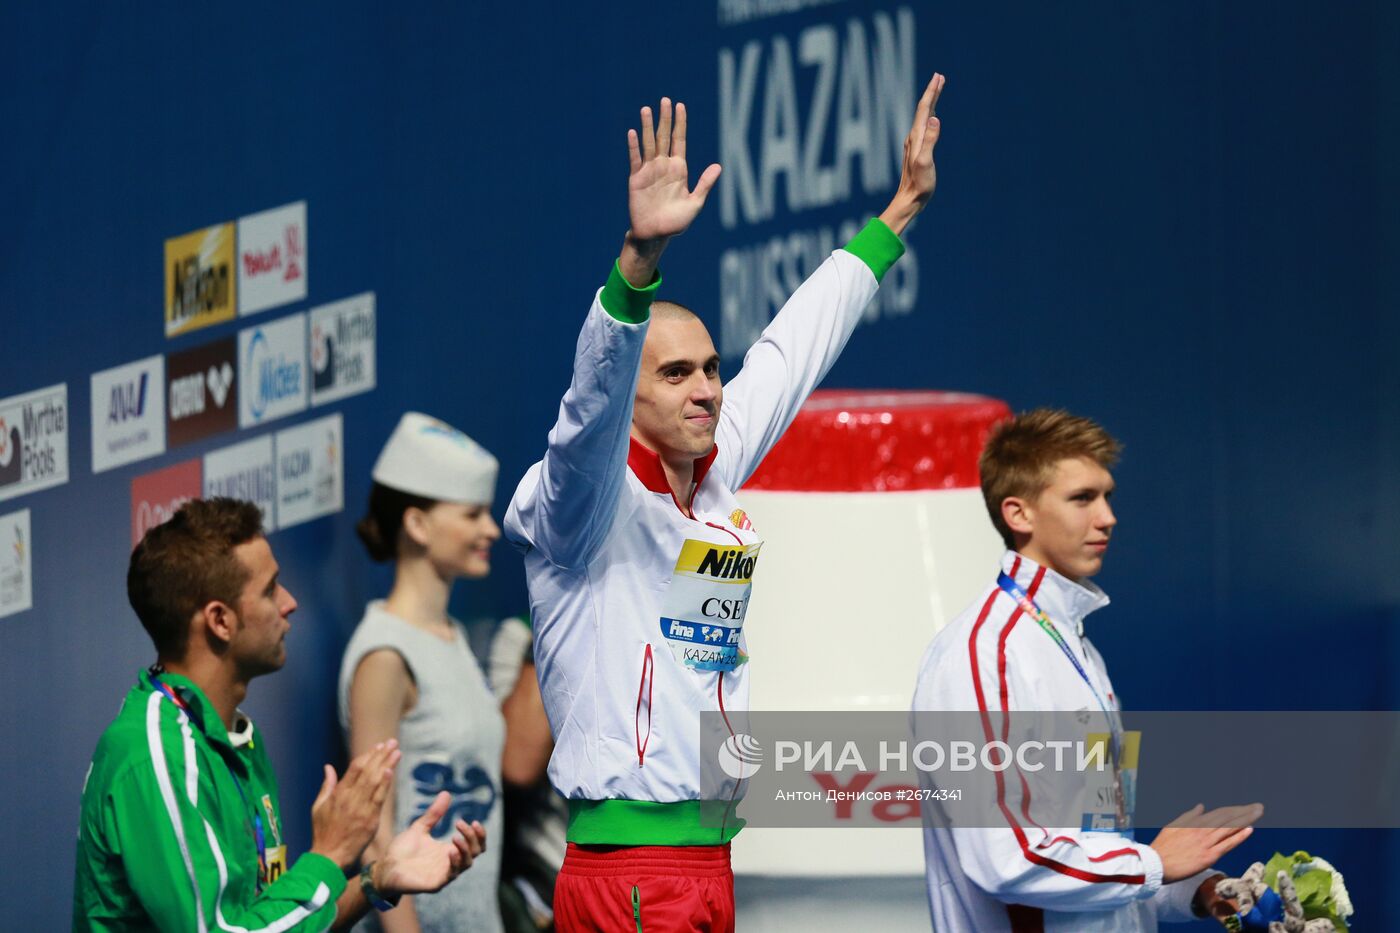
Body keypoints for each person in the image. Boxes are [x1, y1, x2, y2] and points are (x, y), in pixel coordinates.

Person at [504, 74, 945, 931]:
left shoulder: (710, 466)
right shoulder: (578, 505)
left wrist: (897, 216)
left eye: (710, 367)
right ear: (633, 390)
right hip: (629, 871)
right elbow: (589, 404)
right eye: (676, 372)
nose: (707, 388)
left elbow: (792, 349)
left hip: (710, 859)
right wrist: (637, 266)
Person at [911, 409, 1260, 932]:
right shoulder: (986, 652)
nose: (1107, 516)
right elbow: (1006, 859)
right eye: (1082, 498)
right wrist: (1156, 862)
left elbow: (1096, 862)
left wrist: (1197, 889)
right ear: (1018, 514)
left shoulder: (1075, 650)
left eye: (1107, 496)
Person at [73, 497, 486, 932]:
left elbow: (269, 922)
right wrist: (329, 855)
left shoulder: (232, 736)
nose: (289, 602)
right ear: (220, 620)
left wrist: (375, 880)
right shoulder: (156, 757)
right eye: (270, 590)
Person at [339, 413, 551, 932]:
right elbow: (376, 834)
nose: (489, 529)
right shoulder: (384, 653)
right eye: (472, 514)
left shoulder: (451, 636)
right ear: (417, 524)